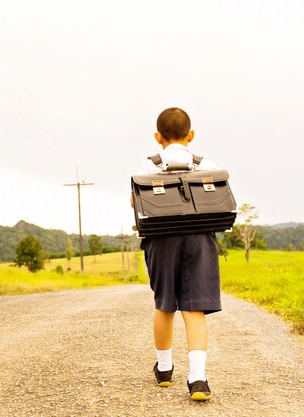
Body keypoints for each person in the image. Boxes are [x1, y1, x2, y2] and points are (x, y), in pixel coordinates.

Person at [134, 107, 221, 401]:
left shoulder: (149, 166)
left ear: (158, 137)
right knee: (194, 308)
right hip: (200, 239)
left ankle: (164, 369)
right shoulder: (205, 163)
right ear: (191, 135)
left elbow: (135, 204)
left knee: (165, 305)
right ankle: (198, 379)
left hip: (161, 240)